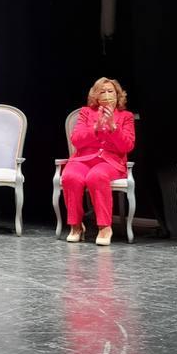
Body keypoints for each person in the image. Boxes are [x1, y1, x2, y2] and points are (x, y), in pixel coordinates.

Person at [61, 77, 136, 245]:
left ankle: (104, 227)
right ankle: (76, 225)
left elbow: (127, 147)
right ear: (96, 96)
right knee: (70, 176)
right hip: (83, 159)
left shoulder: (126, 116)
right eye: (102, 91)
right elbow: (76, 140)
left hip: (110, 162)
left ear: (118, 95)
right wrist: (95, 128)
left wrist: (113, 127)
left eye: (111, 91)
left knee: (97, 176)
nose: (107, 95)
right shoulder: (86, 112)